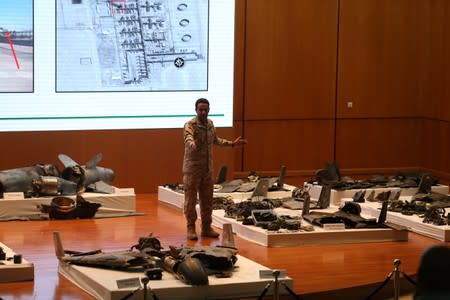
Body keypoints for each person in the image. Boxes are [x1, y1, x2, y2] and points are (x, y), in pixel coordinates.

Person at [183, 98, 247, 240]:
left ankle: (206, 227)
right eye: (200, 109)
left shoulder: (211, 124)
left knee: (207, 200)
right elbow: (188, 138)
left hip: (207, 170)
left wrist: (232, 144)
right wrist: (192, 144)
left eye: (205, 109)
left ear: (209, 110)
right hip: (192, 170)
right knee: (191, 201)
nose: (203, 112)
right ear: (196, 110)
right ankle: (191, 228)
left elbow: (216, 140)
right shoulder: (190, 125)